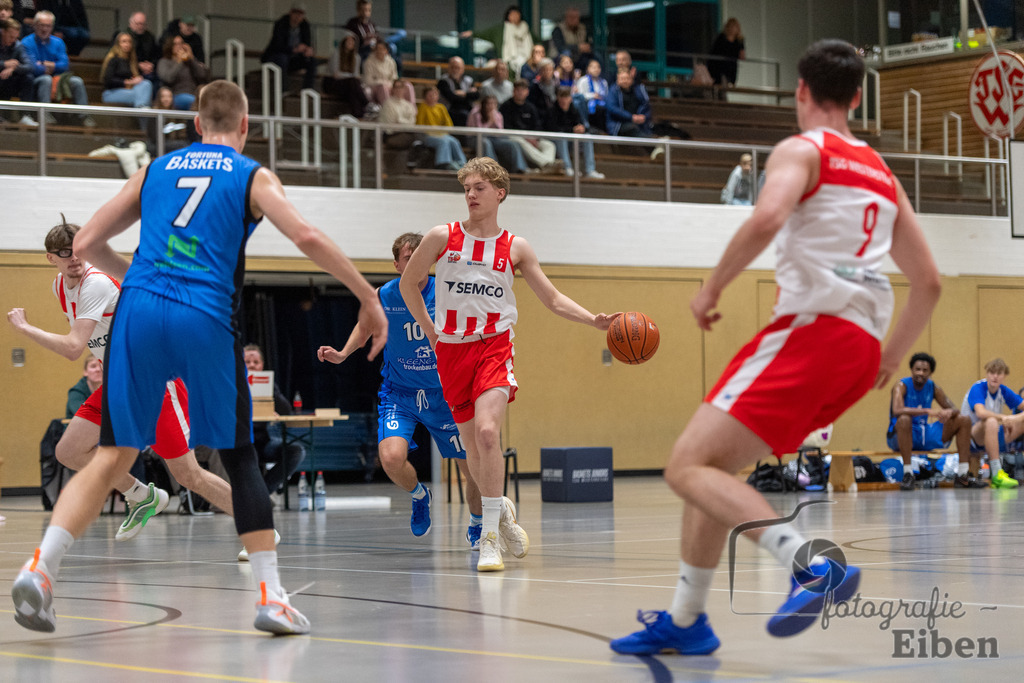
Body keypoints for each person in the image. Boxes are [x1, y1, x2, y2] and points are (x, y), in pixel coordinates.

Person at [11, 79, 388, 636]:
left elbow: (86, 244)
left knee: (111, 455)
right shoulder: (251, 174)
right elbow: (306, 235)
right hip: (204, 315)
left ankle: (41, 568)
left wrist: (140, 278)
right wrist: (367, 296)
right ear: (245, 125)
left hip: (138, 314)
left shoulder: (154, 170)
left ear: (195, 125)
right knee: (238, 455)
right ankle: (272, 597)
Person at [610, 39, 942, 656]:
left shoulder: (802, 149)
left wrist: (711, 288)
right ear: (858, 98)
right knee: (711, 470)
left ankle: (812, 563)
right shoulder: (882, 173)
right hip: (861, 350)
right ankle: (686, 620)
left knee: (684, 468)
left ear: (801, 91)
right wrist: (891, 358)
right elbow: (929, 282)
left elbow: (765, 218)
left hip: (813, 331)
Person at [399, 156, 616, 572]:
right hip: (451, 350)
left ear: (500, 193)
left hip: (494, 346)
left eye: (479, 188)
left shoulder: (515, 247)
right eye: (466, 188)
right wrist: (429, 329)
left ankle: (489, 538)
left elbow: (552, 298)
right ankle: (503, 512)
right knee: (472, 452)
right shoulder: (442, 236)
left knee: (486, 433)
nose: (471, 194)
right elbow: (409, 283)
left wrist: (594, 320)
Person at [5, 215, 236, 550]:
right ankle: (140, 495)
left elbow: (73, 348)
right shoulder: (60, 287)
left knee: (189, 475)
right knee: (69, 451)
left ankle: (257, 527)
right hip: (119, 382)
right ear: (51, 258)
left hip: (155, 380)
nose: (74, 258)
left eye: (79, 249)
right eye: (65, 253)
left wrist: (26, 329)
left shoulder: (96, 283)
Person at [319, 233, 484, 543]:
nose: (415, 262)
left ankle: (477, 523)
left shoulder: (448, 292)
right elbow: (364, 329)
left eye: (421, 256)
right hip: (401, 394)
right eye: (409, 258)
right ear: (397, 265)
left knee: (471, 467)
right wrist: (341, 354)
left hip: (445, 395)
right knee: (391, 458)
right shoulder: (385, 295)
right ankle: (420, 495)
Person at [887, 351, 982, 489]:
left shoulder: (933, 387)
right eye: (917, 369)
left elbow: (954, 409)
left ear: (930, 372)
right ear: (912, 370)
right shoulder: (901, 386)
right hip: (900, 434)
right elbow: (897, 410)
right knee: (904, 419)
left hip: (922, 433)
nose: (920, 373)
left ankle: (963, 475)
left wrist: (948, 412)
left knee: (964, 419)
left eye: (925, 370)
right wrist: (927, 411)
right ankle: (908, 474)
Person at [243, 345, 305, 507]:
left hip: (263, 441)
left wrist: (269, 389)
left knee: (296, 451)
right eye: (247, 362)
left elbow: (286, 411)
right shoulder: (234, 384)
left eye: (256, 362)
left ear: (262, 365)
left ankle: (262, 493)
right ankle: (255, 496)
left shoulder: (268, 385)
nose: (252, 365)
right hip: (242, 442)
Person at [20, 10, 93, 127]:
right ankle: (45, 114)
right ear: (35, 25)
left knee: (77, 81)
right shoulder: (26, 42)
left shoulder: (58, 42)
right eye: (42, 25)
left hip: (58, 78)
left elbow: (65, 65)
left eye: (48, 26)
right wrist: (52, 66)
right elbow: (32, 67)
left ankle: (83, 116)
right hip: (35, 80)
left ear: (52, 27)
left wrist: (46, 65)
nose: (45, 29)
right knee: (46, 79)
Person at [961, 358, 1024, 489]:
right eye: (992, 372)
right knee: (990, 421)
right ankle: (997, 474)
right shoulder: (978, 387)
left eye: (999, 373)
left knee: (1000, 422)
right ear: (987, 374)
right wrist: (1004, 417)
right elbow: (981, 413)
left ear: (1004, 376)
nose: (995, 376)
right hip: (971, 437)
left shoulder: (1003, 390)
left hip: (993, 435)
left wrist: (1013, 419)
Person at [499, 78, 559, 173]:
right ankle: (546, 164)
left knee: (549, 145)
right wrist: (525, 137)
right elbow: (506, 126)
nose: (520, 92)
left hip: (531, 137)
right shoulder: (506, 106)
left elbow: (537, 125)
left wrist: (534, 137)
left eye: (523, 90)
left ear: (527, 92)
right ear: (513, 91)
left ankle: (548, 166)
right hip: (514, 137)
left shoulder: (531, 107)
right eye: (518, 90)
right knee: (520, 141)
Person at [546, 86, 602, 179]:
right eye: (562, 97)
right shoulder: (552, 110)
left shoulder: (574, 109)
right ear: (558, 98)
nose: (564, 100)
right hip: (557, 142)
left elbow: (581, 124)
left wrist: (582, 129)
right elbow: (553, 128)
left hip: (572, 141)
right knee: (561, 136)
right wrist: (572, 130)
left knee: (587, 137)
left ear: (570, 98)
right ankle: (567, 168)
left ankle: (590, 170)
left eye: (566, 97)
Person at [261, 4, 317, 92]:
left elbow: (307, 42)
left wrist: (308, 50)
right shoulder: (281, 23)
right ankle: (284, 90)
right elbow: (277, 45)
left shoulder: (305, 26)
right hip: (278, 56)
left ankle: (307, 90)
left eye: (300, 14)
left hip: (294, 58)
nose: (297, 17)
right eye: (295, 13)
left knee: (312, 61)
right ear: (291, 13)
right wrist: (294, 49)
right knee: (282, 59)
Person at [467, 94, 527, 174]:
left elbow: (500, 132)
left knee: (513, 144)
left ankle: (520, 168)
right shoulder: (476, 113)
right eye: (489, 103)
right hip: (476, 138)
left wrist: (495, 120)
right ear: (484, 104)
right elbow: (480, 132)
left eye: (494, 103)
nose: (491, 106)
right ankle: (493, 169)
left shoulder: (498, 114)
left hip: (493, 138)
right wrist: (490, 121)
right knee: (486, 143)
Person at [416, 85, 466, 171]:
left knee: (454, 141)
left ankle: (462, 163)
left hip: (441, 133)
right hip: (427, 135)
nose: (433, 97)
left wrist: (443, 131)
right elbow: (420, 125)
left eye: (435, 94)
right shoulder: (422, 107)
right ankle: (442, 164)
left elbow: (448, 123)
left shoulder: (441, 107)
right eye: (430, 95)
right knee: (443, 142)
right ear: (425, 96)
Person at [100, 32, 154, 110]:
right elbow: (108, 80)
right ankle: (142, 110)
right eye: (124, 41)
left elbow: (136, 79)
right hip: (112, 93)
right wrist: (129, 82)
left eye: (129, 42)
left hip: (129, 90)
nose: (127, 44)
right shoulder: (113, 60)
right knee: (140, 96)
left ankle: (141, 108)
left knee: (146, 84)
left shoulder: (132, 61)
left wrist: (139, 79)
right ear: (118, 44)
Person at [157, 34, 209, 110]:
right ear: (170, 46)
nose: (179, 46)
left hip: (193, 94)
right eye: (176, 44)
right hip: (176, 95)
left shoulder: (190, 62)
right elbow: (168, 78)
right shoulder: (164, 62)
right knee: (195, 102)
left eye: (181, 43)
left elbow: (202, 75)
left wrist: (192, 58)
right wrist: (179, 62)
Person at [324, 30, 368, 118]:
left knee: (352, 89)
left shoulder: (356, 57)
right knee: (353, 83)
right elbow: (336, 74)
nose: (350, 43)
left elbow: (356, 75)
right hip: (333, 83)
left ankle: (359, 114)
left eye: (352, 41)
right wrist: (351, 77)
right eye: (348, 40)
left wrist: (351, 77)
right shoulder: (336, 54)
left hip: (349, 85)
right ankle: (366, 102)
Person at [0, 18, 34, 124]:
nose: (13, 40)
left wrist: (13, 68)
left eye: (16, 37)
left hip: (9, 81)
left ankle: (25, 116)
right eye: (11, 37)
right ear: (3, 32)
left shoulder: (17, 45)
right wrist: (4, 64)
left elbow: (29, 66)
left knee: (28, 78)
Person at [115, 12, 159, 88]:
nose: (140, 26)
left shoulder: (150, 37)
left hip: (148, 71)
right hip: (129, 70)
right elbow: (120, 57)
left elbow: (156, 55)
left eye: (143, 24)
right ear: (130, 24)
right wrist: (138, 65)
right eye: (137, 24)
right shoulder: (124, 37)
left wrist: (151, 65)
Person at [438, 55, 479, 128]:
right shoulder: (443, 81)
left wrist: (464, 94)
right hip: (449, 111)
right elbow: (451, 98)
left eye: (457, 68)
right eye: (452, 67)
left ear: (463, 69)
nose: (455, 70)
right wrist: (468, 95)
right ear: (448, 68)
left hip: (468, 111)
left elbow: (476, 95)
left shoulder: (469, 80)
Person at [708, 17, 745, 95]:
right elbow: (715, 52)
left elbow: (742, 56)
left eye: (734, 27)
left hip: (731, 68)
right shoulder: (721, 38)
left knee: (727, 86)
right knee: (719, 86)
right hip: (719, 67)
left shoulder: (739, 41)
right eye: (731, 27)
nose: (732, 29)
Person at [573, 58, 608, 131]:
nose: (596, 69)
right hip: (586, 105)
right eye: (593, 67)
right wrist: (593, 96)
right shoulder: (583, 80)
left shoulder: (604, 82)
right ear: (588, 69)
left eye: (598, 67)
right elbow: (580, 95)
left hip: (601, 106)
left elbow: (606, 95)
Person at [362, 39, 398, 106]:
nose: (379, 51)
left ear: (386, 51)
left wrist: (389, 84)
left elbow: (394, 78)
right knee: (383, 88)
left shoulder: (391, 62)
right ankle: (387, 109)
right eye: (377, 49)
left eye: (382, 49)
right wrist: (383, 83)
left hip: (389, 86)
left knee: (407, 86)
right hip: (373, 87)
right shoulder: (369, 62)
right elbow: (368, 81)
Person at [500, 6, 532, 79]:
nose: (515, 17)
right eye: (512, 14)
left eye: (516, 14)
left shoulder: (525, 26)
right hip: (513, 57)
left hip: (526, 56)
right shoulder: (505, 28)